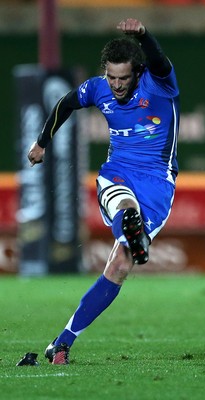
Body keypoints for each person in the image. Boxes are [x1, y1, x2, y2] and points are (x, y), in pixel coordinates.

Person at [28, 18, 180, 365]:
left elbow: (159, 61)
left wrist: (144, 35)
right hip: (118, 173)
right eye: (111, 77)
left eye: (123, 78)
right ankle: (131, 221)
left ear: (138, 73)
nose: (115, 85)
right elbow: (65, 103)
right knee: (124, 204)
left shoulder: (160, 84)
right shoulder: (98, 88)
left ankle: (61, 341)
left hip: (158, 181)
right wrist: (41, 143)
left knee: (118, 268)